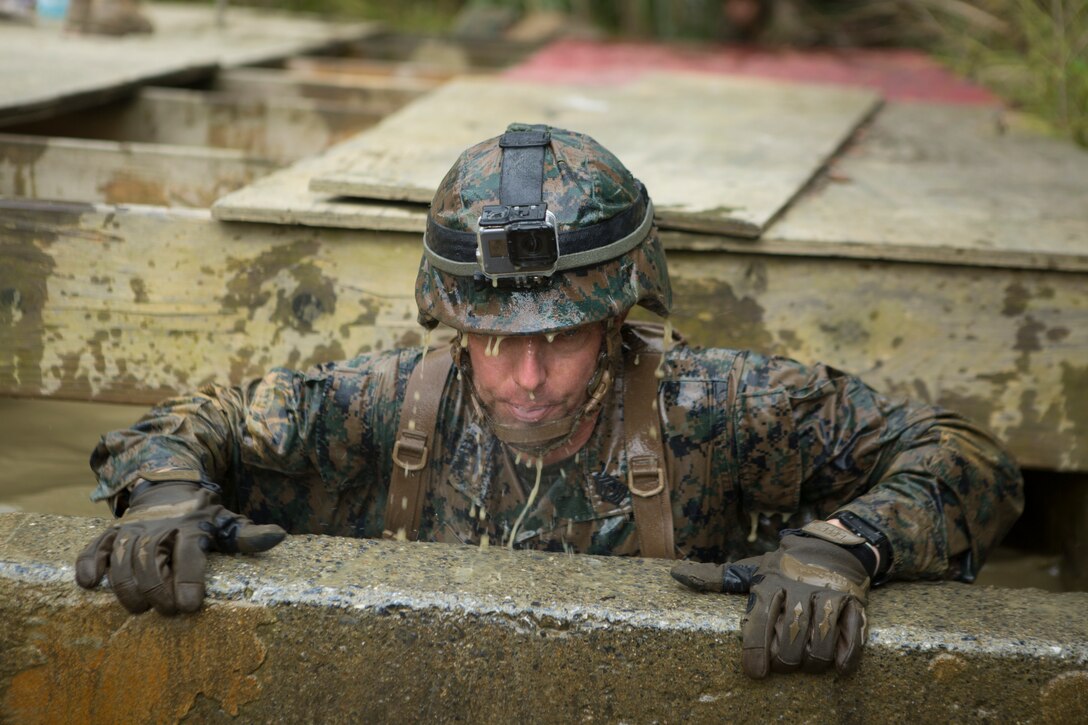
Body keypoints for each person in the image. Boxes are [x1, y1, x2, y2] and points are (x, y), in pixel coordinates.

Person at [76, 124, 1024, 679]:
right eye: (493, 341)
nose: (526, 379)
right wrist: (162, 494)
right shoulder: (384, 405)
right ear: (450, 323)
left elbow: (968, 457)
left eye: (561, 338)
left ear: (616, 319)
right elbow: (183, 424)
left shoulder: (720, 406)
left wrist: (842, 546)